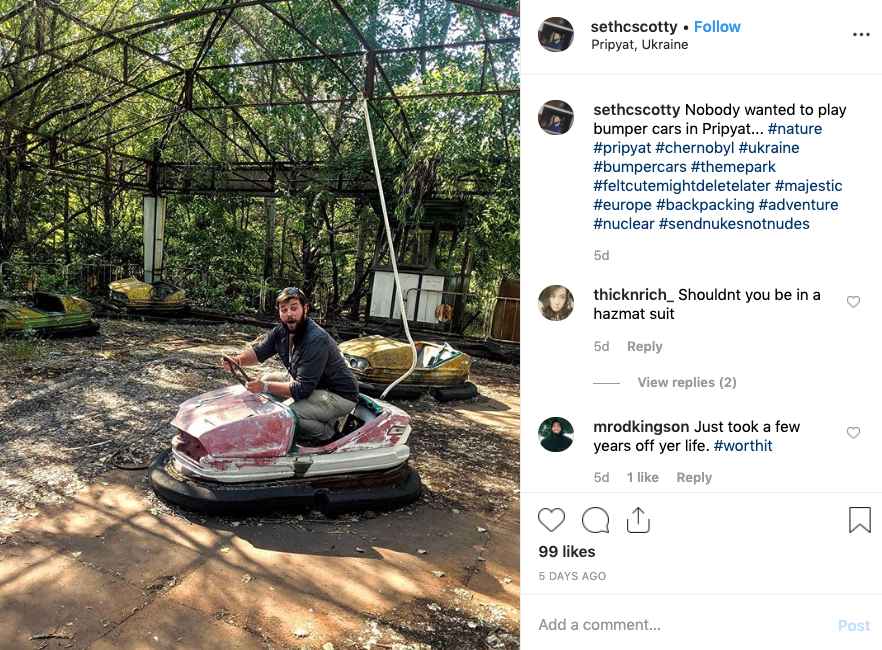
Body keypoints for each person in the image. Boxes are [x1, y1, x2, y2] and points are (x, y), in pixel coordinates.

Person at [221, 286, 359, 446]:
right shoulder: (281, 332)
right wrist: (237, 360)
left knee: (289, 413)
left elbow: (302, 389)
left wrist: (264, 387)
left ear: (305, 309)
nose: (289, 314)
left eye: (294, 308)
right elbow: (258, 352)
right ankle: (278, 420)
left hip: (339, 395)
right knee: (268, 378)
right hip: (312, 385)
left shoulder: (316, 340)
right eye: (284, 310)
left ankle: (328, 433)